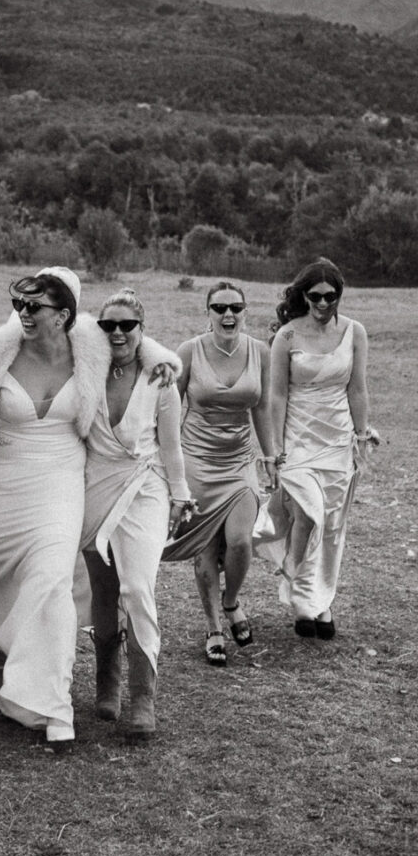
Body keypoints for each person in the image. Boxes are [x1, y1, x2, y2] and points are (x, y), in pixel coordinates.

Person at [0, 267, 110, 753]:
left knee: (51, 580)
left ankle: (53, 705)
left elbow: (139, 346)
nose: (22, 313)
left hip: (61, 476)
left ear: (64, 315)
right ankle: (4, 668)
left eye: (34, 306)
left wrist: (163, 361)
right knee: (2, 588)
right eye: (19, 303)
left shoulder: (91, 346)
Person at [81, 288, 187, 741]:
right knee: (103, 593)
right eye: (109, 325)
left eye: (127, 325)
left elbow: (172, 443)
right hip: (94, 488)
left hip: (145, 488)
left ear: (142, 331)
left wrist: (180, 493)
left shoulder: (159, 376)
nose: (118, 332)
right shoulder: (83, 366)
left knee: (138, 586)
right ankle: (108, 678)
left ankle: (144, 696)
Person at [253, 258, 371, 639]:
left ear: (339, 296)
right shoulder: (286, 337)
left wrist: (362, 433)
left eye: (331, 297)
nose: (323, 303)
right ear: (303, 295)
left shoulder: (355, 332)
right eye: (316, 296)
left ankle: (319, 604)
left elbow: (357, 388)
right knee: (310, 514)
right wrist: (276, 450)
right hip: (298, 443)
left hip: (337, 441)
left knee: (332, 526)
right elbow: (277, 396)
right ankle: (298, 582)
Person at [161, 281, 274, 666]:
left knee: (241, 541)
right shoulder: (189, 351)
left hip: (240, 461)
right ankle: (213, 629)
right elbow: (170, 407)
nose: (228, 314)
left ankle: (231, 603)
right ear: (207, 312)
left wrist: (271, 455)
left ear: (246, 311)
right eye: (220, 307)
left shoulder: (261, 351)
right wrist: (167, 461)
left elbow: (261, 408)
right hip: (196, 460)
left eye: (236, 308)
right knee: (205, 547)